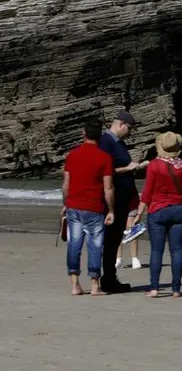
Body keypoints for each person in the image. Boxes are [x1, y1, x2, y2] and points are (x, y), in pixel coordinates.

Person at [133, 132, 182, 298]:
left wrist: (139, 213)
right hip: (177, 210)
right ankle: (176, 289)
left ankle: (154, 288)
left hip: (157, 210)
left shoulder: (154, 165)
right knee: (176, 250)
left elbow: (147, 192)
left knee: (156, 250)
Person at [62, 120, 116, 296]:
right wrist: (111, 210)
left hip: (74, 205)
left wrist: (65, 203)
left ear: (83, 133)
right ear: (100, 136)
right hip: (94, 207)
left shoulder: (72, 155)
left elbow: (66, 184)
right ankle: (94, 285)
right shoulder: (104, 157)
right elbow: (108, 188)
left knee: (74, 244)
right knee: (95, 246)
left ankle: (75, 284)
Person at [97, 111, 147, 293]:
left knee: (115, 238)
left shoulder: (119, 143)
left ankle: (110, 278)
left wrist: (134, 168)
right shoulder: (106, 142)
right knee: (111, 240)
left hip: (122, 198)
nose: (130, 132)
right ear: (120, 124)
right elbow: (106, 171)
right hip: (113, 200)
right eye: (130, 128)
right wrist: (128, 168)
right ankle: (108, 279)